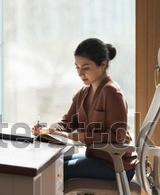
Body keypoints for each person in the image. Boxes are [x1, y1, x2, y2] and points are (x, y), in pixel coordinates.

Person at [32, 38, 138, 181]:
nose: (80, 73)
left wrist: (76, 136)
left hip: (117, 165)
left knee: (52, 173)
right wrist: (49, 130)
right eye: (77, 67)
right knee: (49, 167)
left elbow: (117, 136)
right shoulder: (82, 93)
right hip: (96, 158)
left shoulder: (112, 92)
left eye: (86, 67)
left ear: (103, 64)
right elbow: (67, 123)